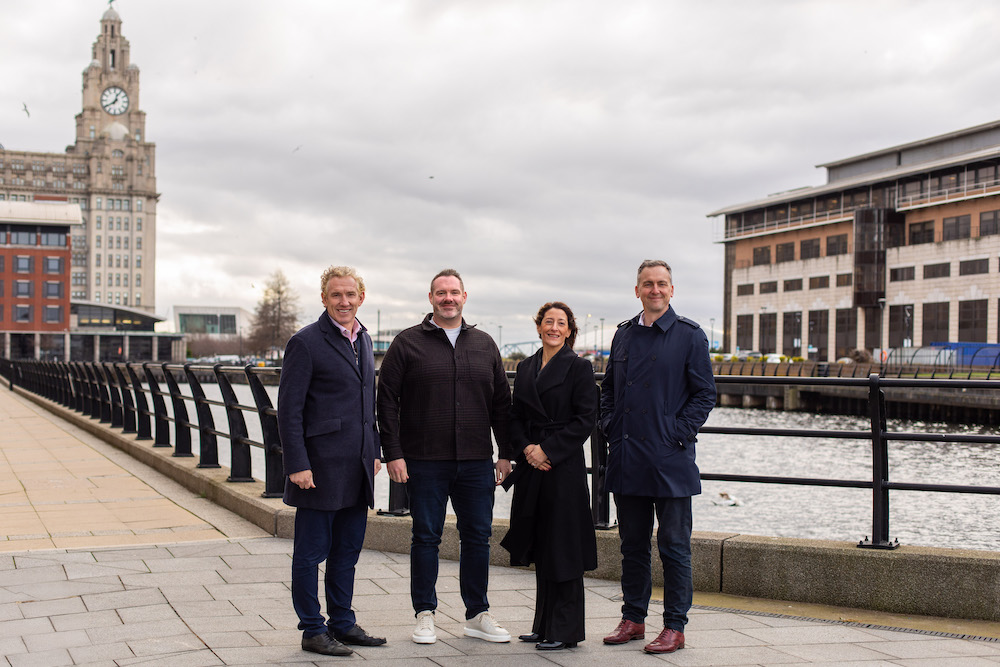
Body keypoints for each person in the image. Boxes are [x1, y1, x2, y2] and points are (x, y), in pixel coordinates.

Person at [377, 268, 515, 645]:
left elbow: (502, 404)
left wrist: (506, 454)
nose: (448, 298)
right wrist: (393, 453)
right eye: (441, 293)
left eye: (454, 292)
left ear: (465, 297)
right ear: (431, 298)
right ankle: (424, 614)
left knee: (478, 538)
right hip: (424, 461)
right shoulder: (406, 344)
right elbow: (386, 402)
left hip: (475, 461)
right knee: (425, 538)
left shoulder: (485, 344)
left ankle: (477, 614)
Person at [599, 260, 716, 655]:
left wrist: (676, 433)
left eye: (661, 284)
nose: (654, 290)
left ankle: (674, 627)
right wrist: (609, 425)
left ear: (671, 289)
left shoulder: (690, 336)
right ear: (637, 290)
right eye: (647, 284)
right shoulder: (624, 335)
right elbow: (609, 392)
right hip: (628, 454)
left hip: (670, 459)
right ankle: (633, 618)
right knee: (631, 544)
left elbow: (705, 395)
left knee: (674, 545)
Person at [277, 265, 386, 657]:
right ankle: (312, 628)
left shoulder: (365, 340)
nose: (344, 301)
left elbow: (365, 405)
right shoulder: (305, 342)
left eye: (351, 295)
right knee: (310, 553)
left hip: (357, 468)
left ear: (361, 298)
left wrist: (374, 450)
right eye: (336, 295)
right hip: (318, 469)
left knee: (347, 552)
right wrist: (297, 464)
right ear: (324, 298)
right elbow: (289, 411)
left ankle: (342, 622)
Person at [500, 302, 598, 651]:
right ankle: (543, 624)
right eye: (548, 322)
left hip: (562, 466)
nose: (554, 327)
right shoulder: (526, 367)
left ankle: (566, 630)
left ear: (570, 330)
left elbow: (585, 419)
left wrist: (548, 450)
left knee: (564, 546)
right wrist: (526, 448)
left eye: (561, 323)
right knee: (542, 543)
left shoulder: (579, 367)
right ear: (538, 327)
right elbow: (514, 416)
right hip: (533, 464)